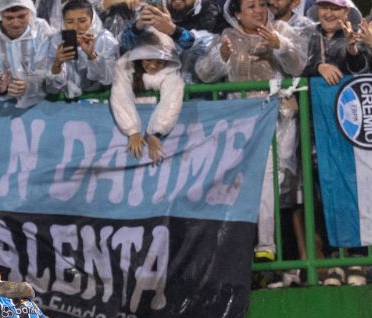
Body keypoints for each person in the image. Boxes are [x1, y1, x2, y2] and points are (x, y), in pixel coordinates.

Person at [195, 0, 306, 265]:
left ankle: (279, 258)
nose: (258, 11)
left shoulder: (281, 29)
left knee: (279, 183)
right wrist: (221, 56)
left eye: (261, 5)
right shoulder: (228, 37)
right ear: (236, 14)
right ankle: (265, 246)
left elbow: (299, 66)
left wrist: (280, 45)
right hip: (244, 119)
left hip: (281, 116)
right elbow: (204, 74)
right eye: (250, 6)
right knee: (259, 179)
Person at [110, 28, 181, 164]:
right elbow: (120, 95)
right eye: (148, 60)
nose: (153, 66)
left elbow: (172, 101)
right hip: (125, 133)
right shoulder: (125, 66)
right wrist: (132, 130)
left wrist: (155, 133)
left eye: (159, 62)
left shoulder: (172, 74)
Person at [0, 0, 55, 107]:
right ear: (0, 14)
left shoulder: (42, 31)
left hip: (41, 106)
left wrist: (29, 86)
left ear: (29, 12)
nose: (16, 23)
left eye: (21, 17)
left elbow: (49, 71)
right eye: (9, 18)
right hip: (1, 107)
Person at [45, 0, 119, 98]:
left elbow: (109, 81)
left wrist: (92, 55)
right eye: (70, 22)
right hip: (65, 101)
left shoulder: (105, 39)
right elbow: (51, 89)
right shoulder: (58, 40)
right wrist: (57, 64)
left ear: (92, 20)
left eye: (82, 21)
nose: (76, 27)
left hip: (98, 98)